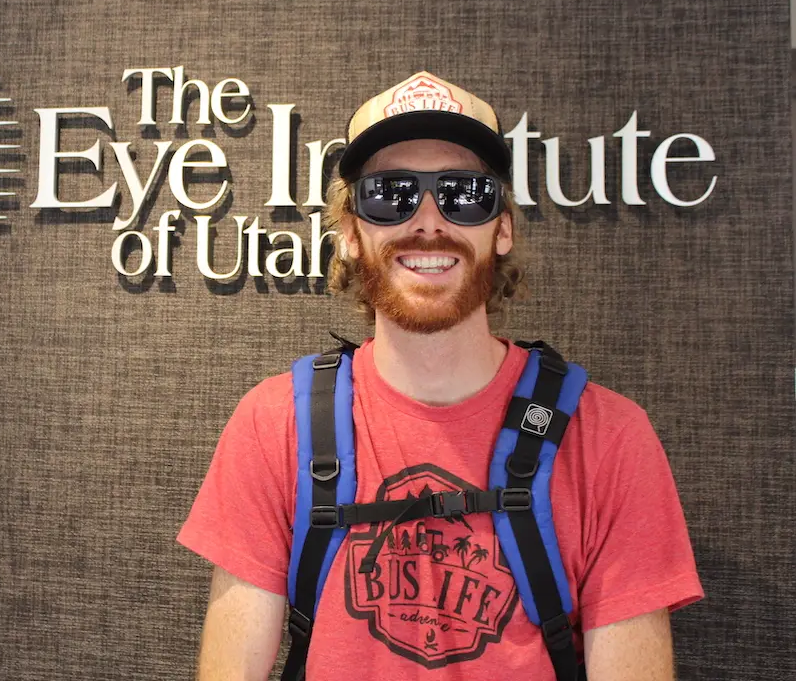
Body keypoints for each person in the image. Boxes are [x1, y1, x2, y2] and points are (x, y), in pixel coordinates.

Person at [178, 71, 703, 680]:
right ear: (350, 233)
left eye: (463, 194)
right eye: (390, 193)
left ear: (501, 228)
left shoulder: (608, 437)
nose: (428, 220)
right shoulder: (276, 425)